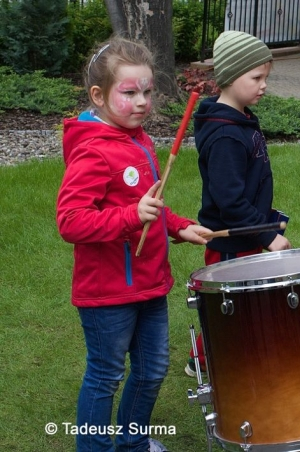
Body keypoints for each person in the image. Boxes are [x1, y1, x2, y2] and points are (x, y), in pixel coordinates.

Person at [56, 37, 212, 452]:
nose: (142, 101)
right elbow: (70, 222)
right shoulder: (93, 150)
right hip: (107, 291)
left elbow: (149, 204)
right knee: (106, 375)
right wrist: (130, 217)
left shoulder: (138, 139)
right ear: (99, 95)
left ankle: (132, 443)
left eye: (147, 91)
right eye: (129, 93)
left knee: (152, 369)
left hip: (149, 281)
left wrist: (178, 227)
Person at [185, 30, 292, 377]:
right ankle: (202, 362)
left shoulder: (241, 119)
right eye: (256, 77)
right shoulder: (227, 135)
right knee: (227, 305)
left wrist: (269, 218)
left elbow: (248, 183)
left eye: (266, 78)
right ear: (230, 77)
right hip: (230, 240)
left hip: (248, 233)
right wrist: (266, 233)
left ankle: (232, 353)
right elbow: (229, 200)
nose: (263, 85)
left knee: (243, 301)